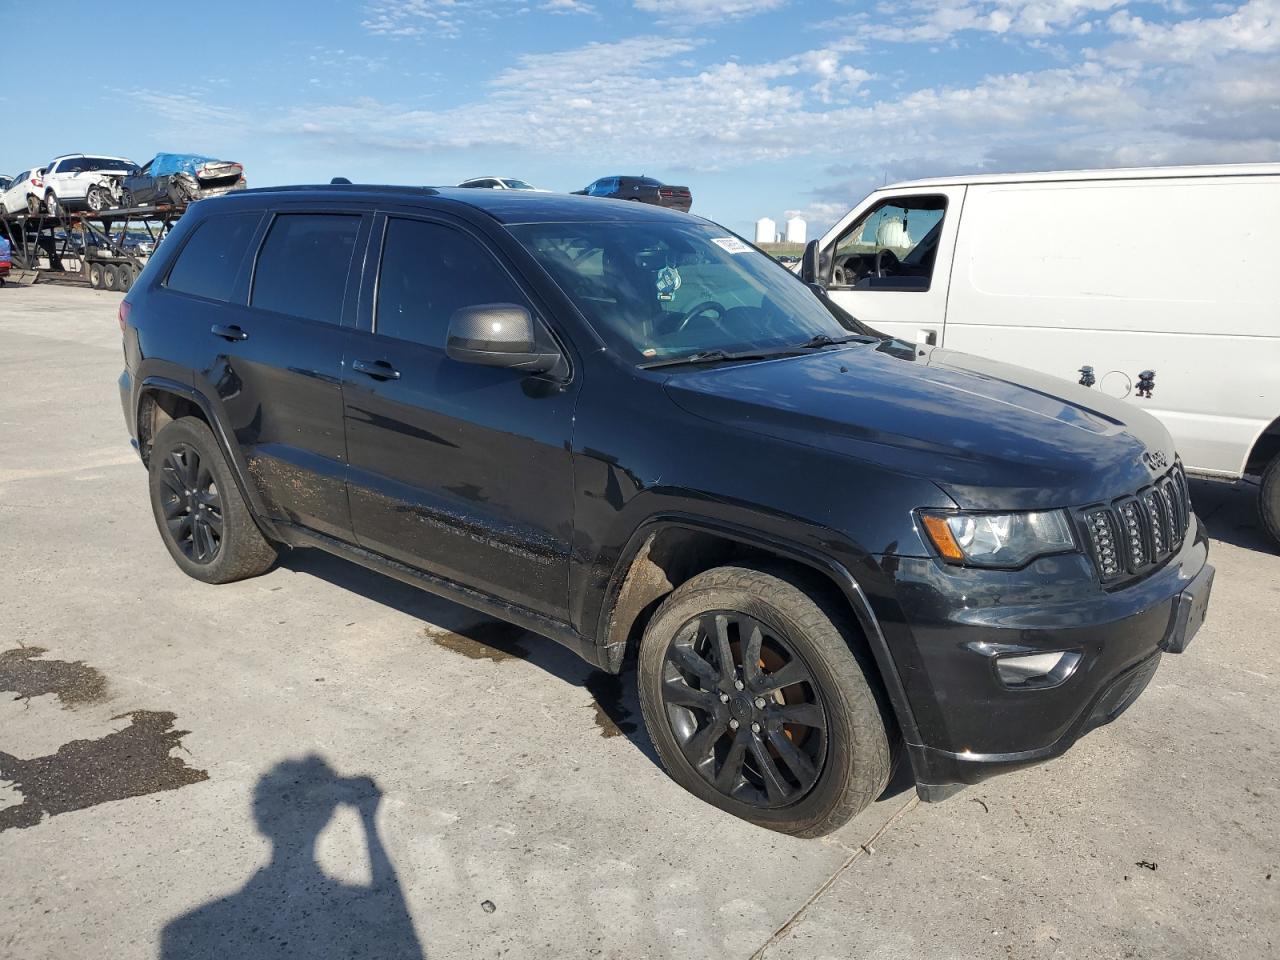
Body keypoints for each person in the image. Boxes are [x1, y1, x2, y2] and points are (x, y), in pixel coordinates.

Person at [161, 755, 424, 959]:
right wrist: (368, 820)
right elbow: (402, 931)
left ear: (260, 821)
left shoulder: (183, 930)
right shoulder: (358, 905)